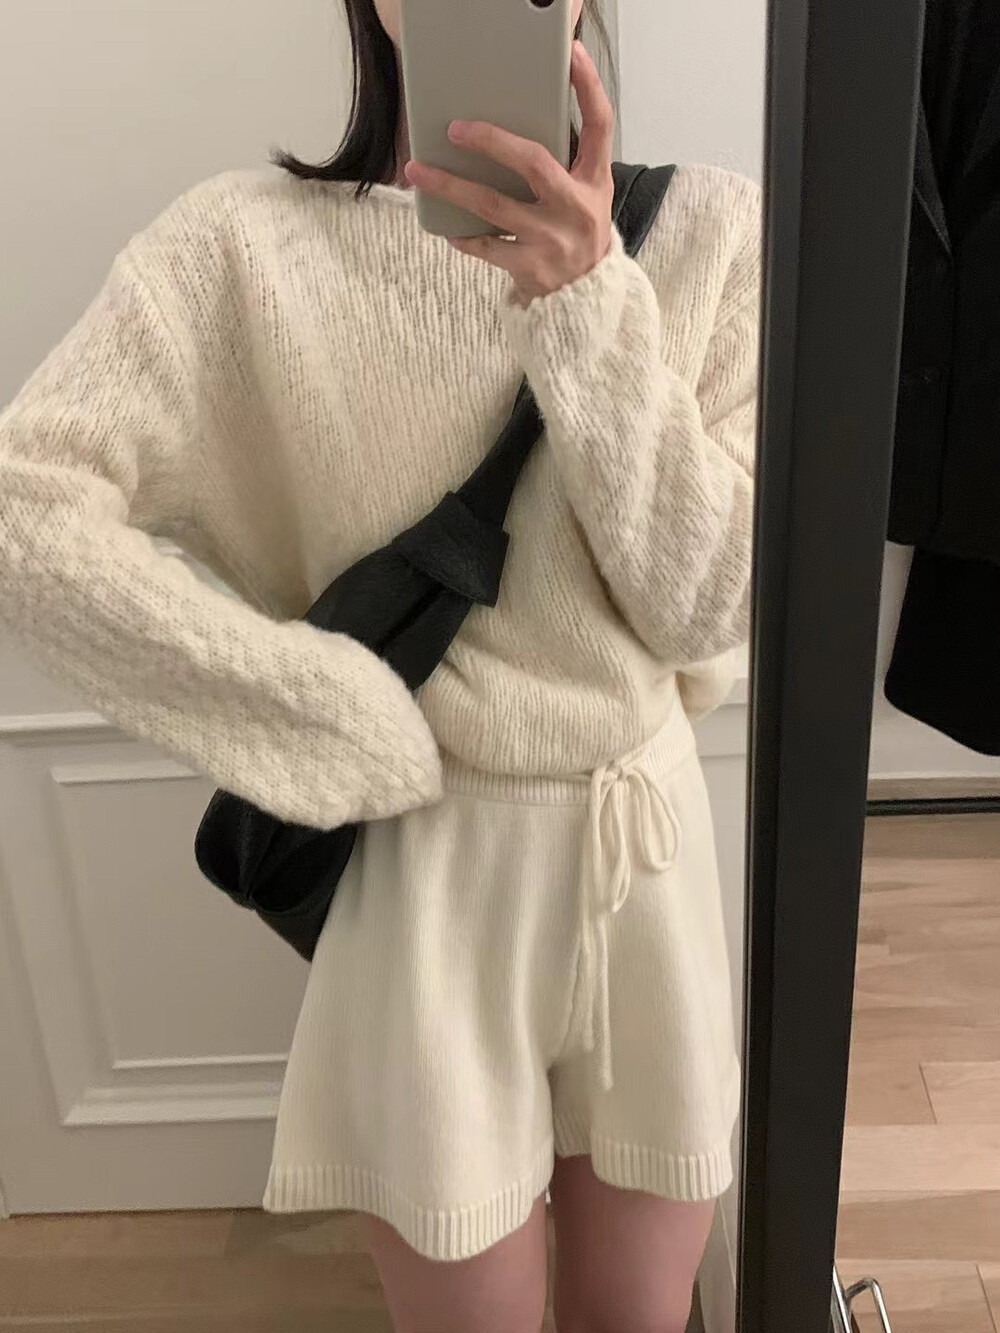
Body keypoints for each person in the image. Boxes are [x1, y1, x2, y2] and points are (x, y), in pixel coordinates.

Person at [0, 0, 761, 1328]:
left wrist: (588, 303)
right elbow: (26, 512)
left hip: (645, 857)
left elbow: (702, 606)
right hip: (428, 877)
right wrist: (313, 711)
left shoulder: (714, 234)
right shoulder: (240, 251)